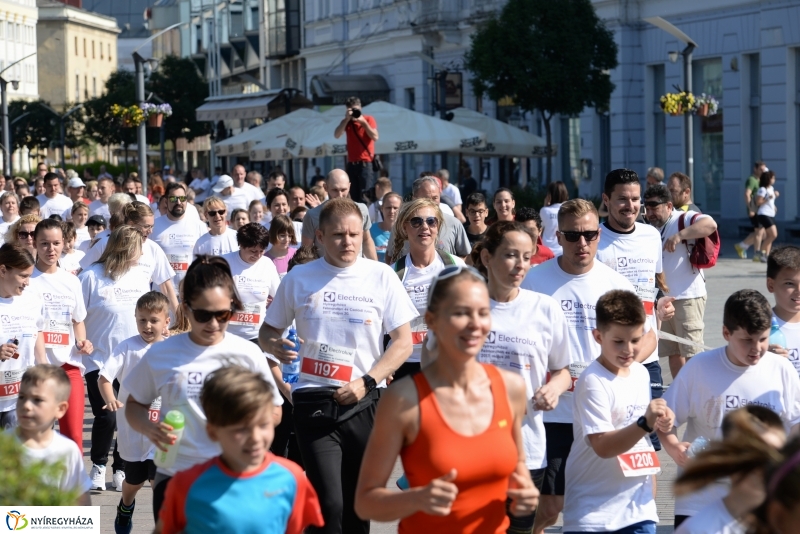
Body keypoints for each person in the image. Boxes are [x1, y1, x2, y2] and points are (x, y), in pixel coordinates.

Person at [260, 198, 417, 534]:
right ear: (319, 236)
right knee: (330, 504)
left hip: (365, 399)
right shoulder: (299, 277)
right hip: (313, 398)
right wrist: (275, 345)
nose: (347, 242)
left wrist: (367, 382)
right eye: (337, 235)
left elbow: (403, 342)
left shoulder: (381, 276)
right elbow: (267, 331)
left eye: (354, 234)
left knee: (358, 507)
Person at [354, 265, 539, 532]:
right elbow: (365, 502)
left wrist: (524, 494)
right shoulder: (404, 398)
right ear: (432, 320)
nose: (475, 324)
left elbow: (518, 468)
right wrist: (416, 498)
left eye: (483, 312)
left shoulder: (511, 389)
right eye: (461, 313)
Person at [519, 198, 655, 534]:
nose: (582, 243)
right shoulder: (534, 281)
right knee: (550, 506)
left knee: (622, 494)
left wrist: (618, 365)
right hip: (555, 411)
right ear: (557, 236)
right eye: (573, 235)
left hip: (606, 409)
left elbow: (648, 338)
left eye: (591, 235)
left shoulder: (615, 282)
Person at [124, 256, 283, 520]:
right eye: (203, 315)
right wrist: (150, 428)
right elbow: (134, 405)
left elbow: (275, 410)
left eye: (223, 314)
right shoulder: (162, 353)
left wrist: (248, 425)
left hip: (233, 475)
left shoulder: (248, 353)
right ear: (185, 309)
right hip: (175, 473)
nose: (213, 324)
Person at [657, 289, 800, 528]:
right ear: (726, 332)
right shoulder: (699, 367)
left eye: (763, 339)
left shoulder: (781, 369)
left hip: (758, 500)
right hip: (700, 496)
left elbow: (796, 423)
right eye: (747, 340)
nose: (756, 348)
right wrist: (673, 447)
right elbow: (665, 419)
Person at [472, 221, 570, 531]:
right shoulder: (461, 308)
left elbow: (563, 371)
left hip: (526, 448)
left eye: (527, 256)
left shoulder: (545, 309)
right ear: (487, 258)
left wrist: (554, 388)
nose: (520, 265)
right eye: (511, 255)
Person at [155, 365, 323, 534]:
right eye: (241, 429)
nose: (255, 438)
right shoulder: (186, 484)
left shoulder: (290, 478)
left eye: (263, 425)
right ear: (213, 432)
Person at [564, 290, 673, 534]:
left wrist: (661, 422)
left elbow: (640, 432)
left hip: (638, 509)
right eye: (618, 341)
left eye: (635, 340)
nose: (628, 350)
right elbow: (603, 446)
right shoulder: (593, 381)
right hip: (594, 513)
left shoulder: (641, 373)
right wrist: (645, 423)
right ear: (598, 336)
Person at [80, 225, 169, 491]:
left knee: (128, 417)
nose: (143, 253)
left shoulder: (139, 277)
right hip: (99, 357)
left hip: (135, 358)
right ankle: (98, 465)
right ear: (128, 248)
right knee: (107, 415)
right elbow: (78, 315)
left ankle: (121, 468)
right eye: (140, 247)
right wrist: (82, 340)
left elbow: (148, 311)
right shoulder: (91, 276)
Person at [596, 168, 672, 449]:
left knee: (650, 444)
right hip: (609, 356)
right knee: (616, 437)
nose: (631, 206)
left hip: (648, 357)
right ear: (606, 199)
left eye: (636, 199)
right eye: (622, 199)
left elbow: (655, 283)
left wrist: (661, 303)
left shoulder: (651, 235)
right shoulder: (594, 240)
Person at [98, 292, 171, 534]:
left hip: (164, 429)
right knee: (134, 481)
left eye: (153, 320)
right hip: (133, 428)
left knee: (157, 479)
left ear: (166, 321)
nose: (147, 326)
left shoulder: (174, 349)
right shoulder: (127, 347)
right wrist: (110, 399)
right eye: (142, 320)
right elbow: (105, 377)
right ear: (135, 319)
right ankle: (125, 506)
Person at [673, 405, 786, 534]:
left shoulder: (789, 522)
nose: (764, 464)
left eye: (774, 454)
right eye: (753, 453)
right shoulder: (697, 529)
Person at [30, 219, 93, 447]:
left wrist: (83, 342)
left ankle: (72, 483)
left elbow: (78, 321)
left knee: (73, 438)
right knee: (40, 438)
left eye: (56, 243)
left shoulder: (71, 281)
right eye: (44, 243)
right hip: (37, 370)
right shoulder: (26, 280)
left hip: (69, 368)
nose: (51, 249)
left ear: (64, 243)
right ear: (35, 243)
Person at [644, 184, 718, 377]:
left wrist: (679, 236)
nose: (649, 212)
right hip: (664, 300)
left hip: (688, 297)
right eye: (647, 207)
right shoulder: (650, 228)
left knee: (693, 352)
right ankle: (680, 389)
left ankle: (698, 394)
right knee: (673, 352)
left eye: (654, 206)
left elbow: (710, 224)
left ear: (669, 205)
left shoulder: (683, 219)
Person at [388, 199, 465, 380]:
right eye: (416, 221)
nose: (425, 227)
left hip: (446, 361)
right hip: (404, 365)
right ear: (405, 228)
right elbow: (382, 325)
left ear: (438, 227)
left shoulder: (456, 267)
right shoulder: (393, 273)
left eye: (431, 221)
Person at [15, 365, 92, 505]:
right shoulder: (5, 445)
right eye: (22, 397)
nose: (26, 405)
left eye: (37, 400)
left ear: (60, 409)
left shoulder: (67, 450)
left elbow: (81, 501)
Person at [0, 243, 45, 429]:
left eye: (29, 276)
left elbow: (37, 333)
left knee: (17, 457)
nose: (28, 282)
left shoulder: (32, 301)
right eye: (23, 276)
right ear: (3, 270)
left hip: (19, 400)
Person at [385, 176, 472, 262]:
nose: (431, 203)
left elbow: (466, 256)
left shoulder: (454, 223)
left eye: (435, 198)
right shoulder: (401, 225)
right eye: (426, 198)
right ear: (414, 199)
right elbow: (390, 256)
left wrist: (451, 266)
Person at [221, 223, 281, 343]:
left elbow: (280, 296)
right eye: (253, 251)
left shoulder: (267, 264)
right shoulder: (223, 262)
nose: (257, 255)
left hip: (257, 335)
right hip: (227, 334)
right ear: (241, 245)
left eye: (261, 251)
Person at [301, 169, 378, 260]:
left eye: (343, 190)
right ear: (325, 187)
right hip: (326, 271)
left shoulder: (362, 210)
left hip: (356, 271)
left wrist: (376, 268)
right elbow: (306, 250)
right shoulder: (312, 215)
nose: (340, 195)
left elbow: (366, 240)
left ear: (349, 186)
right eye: (335, 190)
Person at [151, 182, 208, 291]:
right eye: (173, 199)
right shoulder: (153, 225)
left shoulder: (199, 226)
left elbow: (205, 260)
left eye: (182, 198)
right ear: (166, 201)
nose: (178, 202)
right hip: (161, 293)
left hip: (190, 290)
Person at [334, 96, 378, 203]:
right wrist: (346, 119)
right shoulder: (347, 122)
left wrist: (363, 122)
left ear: (361, 108)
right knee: (352, 195)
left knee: (365, 195)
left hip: (365, 164)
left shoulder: (368, 119)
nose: (354, 112)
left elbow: (375, 136)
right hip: (351, 164)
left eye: (356, 110)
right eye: (352, 110)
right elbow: (337, 135)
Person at [767, 246, 800, 375]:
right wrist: (760, 358)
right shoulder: (758, 326)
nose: (798, 291)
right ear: (771, 285)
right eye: (789, 284)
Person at [735, 161, 768, 260]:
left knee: (764, 234)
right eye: (760, 169)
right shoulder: (752, 180)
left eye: (764, 169)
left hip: (761, 210)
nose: (762, 171)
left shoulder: (761, 180)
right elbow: (747, 194)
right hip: (755, 210)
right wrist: (751, 208)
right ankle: (756, 255)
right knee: (759, 233)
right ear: (755, 169)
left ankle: (742, 245)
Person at [753, 170, 780, 263]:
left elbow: (769, 202)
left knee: (770, 236)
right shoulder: (762, 190)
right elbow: (758, 202)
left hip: (770, 213)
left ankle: (766, 255)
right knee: (773, 234)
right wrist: (769, 198)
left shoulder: (771, 189)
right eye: (772, 178)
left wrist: (774, 207)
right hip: (763, 214)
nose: (774, 180)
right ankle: (760, 252)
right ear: (768, 179)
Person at [370, 192, 401, 263]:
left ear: (401, 210)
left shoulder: (405, 232)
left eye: (395, 208)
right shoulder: (370, 230)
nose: (392, 211)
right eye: (388, 208)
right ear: (382, 208)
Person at [541, 181, 569, 256]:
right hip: (562, 249)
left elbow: (540, 228)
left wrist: (545, 205)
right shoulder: (568, 210)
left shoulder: (545, 211)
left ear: (549, 195)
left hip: (547, 249)